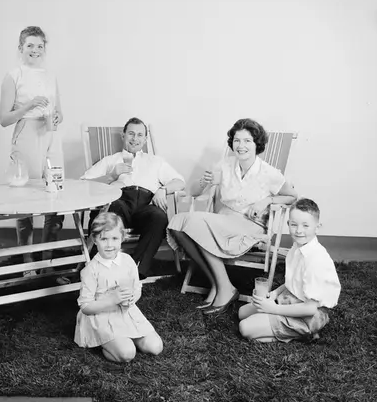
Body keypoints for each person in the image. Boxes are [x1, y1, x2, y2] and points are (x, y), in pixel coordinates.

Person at [168, 118, 298, 316]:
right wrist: (204, 181)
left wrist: (268, 200)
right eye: (237, 140)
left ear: (256, 144)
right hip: (223, 220)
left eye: (247, 141)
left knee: (196, 224)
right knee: (178, 224)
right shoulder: (224, 165)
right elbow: (193, 192)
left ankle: (223, 288)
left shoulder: (268, 173)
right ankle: (220, 284)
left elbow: (293, 196)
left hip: (249, 224)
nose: (241, 145)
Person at [82, 117, 185, 279]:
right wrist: (111, 176)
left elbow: (180, 181)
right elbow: (83, 184)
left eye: (139, 135)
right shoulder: (110, 160)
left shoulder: (155, 161)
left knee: (158, 215)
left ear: (145, 139)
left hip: (146, 205)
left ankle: (136, 269)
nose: (135, 138)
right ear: (123, 136)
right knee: (111, 210)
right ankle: (103, 268)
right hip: (119, 202)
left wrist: (163, 189)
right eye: (131, 134)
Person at [0, 26, 64, 275]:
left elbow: (59, 112)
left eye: (39, 46)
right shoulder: (13, 76)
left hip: (50, 134)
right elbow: (4, 119)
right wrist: (28, 105)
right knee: (25, 197)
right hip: (26, 133)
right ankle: (27, 263)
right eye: (30, 45)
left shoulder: (50, 76)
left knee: (55, 193)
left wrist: (57, 116)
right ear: (20, 48)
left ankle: (47, 262)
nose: (35, 50)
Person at [238, 198, 341, 343]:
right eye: (294, 224)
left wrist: (273, 309)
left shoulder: (316, 260)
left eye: (306, 225)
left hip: (309, 315)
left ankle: (305, 333)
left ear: (317, 227)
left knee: (245, 328)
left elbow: (310, 309)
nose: (299, 231)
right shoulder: (296, 247)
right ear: (288, 224)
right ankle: (273, 320)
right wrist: (274, 293)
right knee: (242, 313)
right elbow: (293, 282)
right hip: (292, 299)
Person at [74, 212, 163, 362]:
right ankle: (106, 343)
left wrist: (132, 298)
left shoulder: (128, 261)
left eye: (114, 238)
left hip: (125, 312)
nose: (109, 245)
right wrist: (112, 300)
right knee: (127, 354)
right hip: (101, 316)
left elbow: (136, 288)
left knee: (155, 347)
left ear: (122, 238)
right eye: (104, 239)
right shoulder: (90, 270)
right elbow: (86, 307)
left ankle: (125, 336)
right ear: (95, 240)